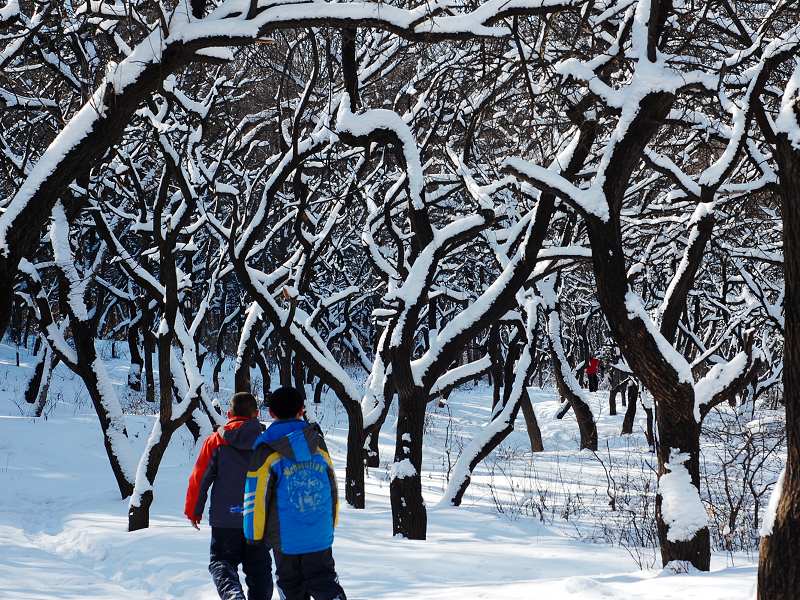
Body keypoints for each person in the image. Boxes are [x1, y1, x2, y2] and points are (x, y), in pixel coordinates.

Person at [244, 386, 346, 600]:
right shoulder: (318, 445)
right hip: (319, 534)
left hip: (285, 540)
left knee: (291, 588)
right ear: (302, 410)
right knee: (325, 582)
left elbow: (256, 495)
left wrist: (253, 535)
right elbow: (332, 488)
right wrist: (330, 524)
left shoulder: (266, 450)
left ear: (271, 413)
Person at [185, 392, 271, 600]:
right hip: (258, 519)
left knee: (222, 563)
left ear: (229, 413)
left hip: (225, 519)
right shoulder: (267, 444)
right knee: (259, 569)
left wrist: (194, 510)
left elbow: (200, 477)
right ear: (256, 414)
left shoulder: (215, 442)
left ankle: (232, 595)